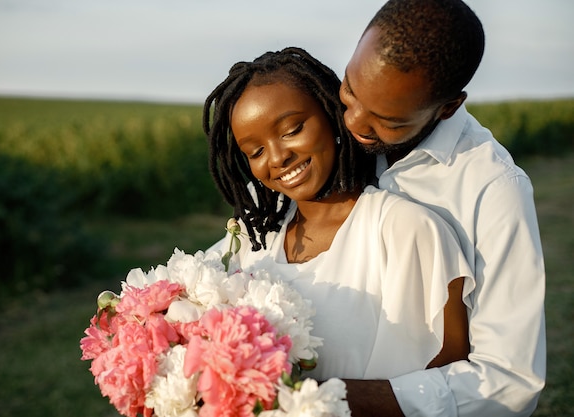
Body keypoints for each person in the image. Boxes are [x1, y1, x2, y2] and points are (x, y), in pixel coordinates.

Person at [204, 46, 475, 414]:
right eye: (254, 152)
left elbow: (449, 377)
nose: (277, 156)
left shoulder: (406, 230)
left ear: (333, 116)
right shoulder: (254, 242)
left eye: (293, 129)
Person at [339, 0, 546, 415]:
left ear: (447, 107)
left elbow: (509, 379)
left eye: (389, 122)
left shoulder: (493, 189)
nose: (354, 123)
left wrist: (335, 398)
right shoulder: (329, 130)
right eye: (349, 89)